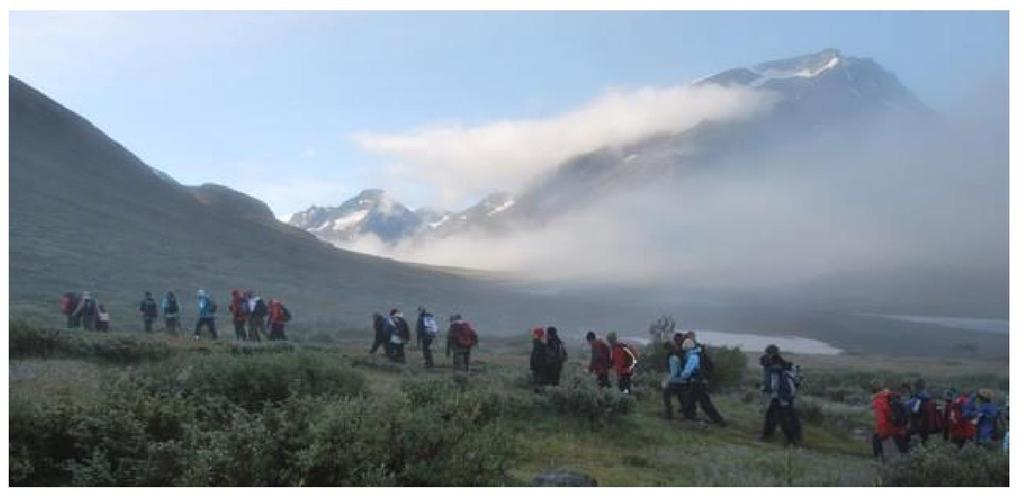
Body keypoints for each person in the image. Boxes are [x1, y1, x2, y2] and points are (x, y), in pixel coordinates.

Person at [760, 345, 802, 445]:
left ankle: (792, 440)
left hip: (781, 396)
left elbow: (773, 383)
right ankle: (796, 436)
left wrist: (767, 391)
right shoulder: (783, 364)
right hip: (785, 395)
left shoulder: (774, 367)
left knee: (784, 418)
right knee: (780, 415)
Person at [680, 337, 725, 425]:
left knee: (690, 400)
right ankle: (718, 420)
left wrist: (682, 376)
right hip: (701, 381)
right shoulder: (699, 354)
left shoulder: (692, 356)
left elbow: (687, 371)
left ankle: (690, 418)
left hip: (696, 382)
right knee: (702, 402)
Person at [870, 380, 910, 459]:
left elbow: (881, 419)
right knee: (903, 446)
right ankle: (912, 461)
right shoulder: (890, 395)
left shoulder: (878, 400)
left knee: (876, 438)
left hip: (889, 425)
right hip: (899, 425)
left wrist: (881, 432)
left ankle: (879, 460)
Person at [662, 342, 688, 420]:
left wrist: (666, 381)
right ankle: (687, 413)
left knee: (666, 395)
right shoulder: (676, 357)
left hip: (676, 381)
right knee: (681, 397)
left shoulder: (672, 358)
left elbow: (674, 372)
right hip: (682, 381)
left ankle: (669, 414)